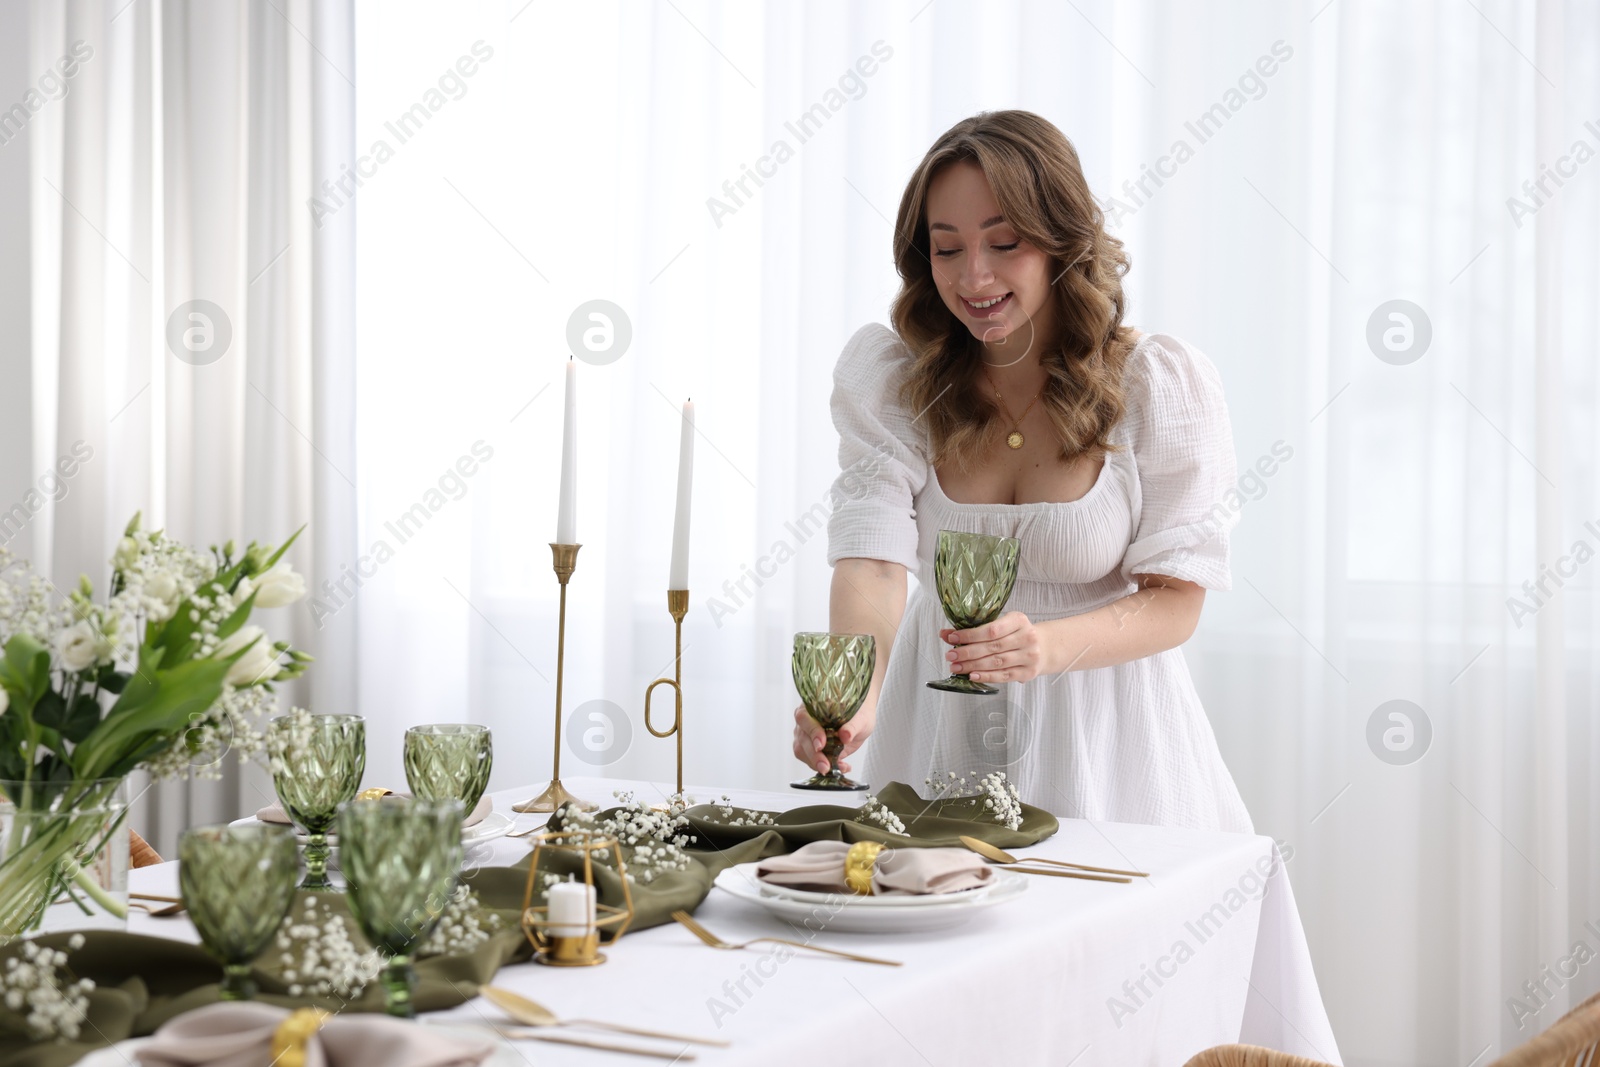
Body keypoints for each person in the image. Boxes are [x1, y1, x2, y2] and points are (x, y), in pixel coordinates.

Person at [791, 110, 1252, 833]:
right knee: (936, 921)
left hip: (1109, 742)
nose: (974, 277)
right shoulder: (898, 382)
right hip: (940, 729)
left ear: (1063, 241)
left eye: (1004, 243)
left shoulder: (1157, 384)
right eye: (947, 250)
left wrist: (1046, 646)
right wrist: (857, 694)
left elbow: (1176, 601)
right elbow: (873, 564)